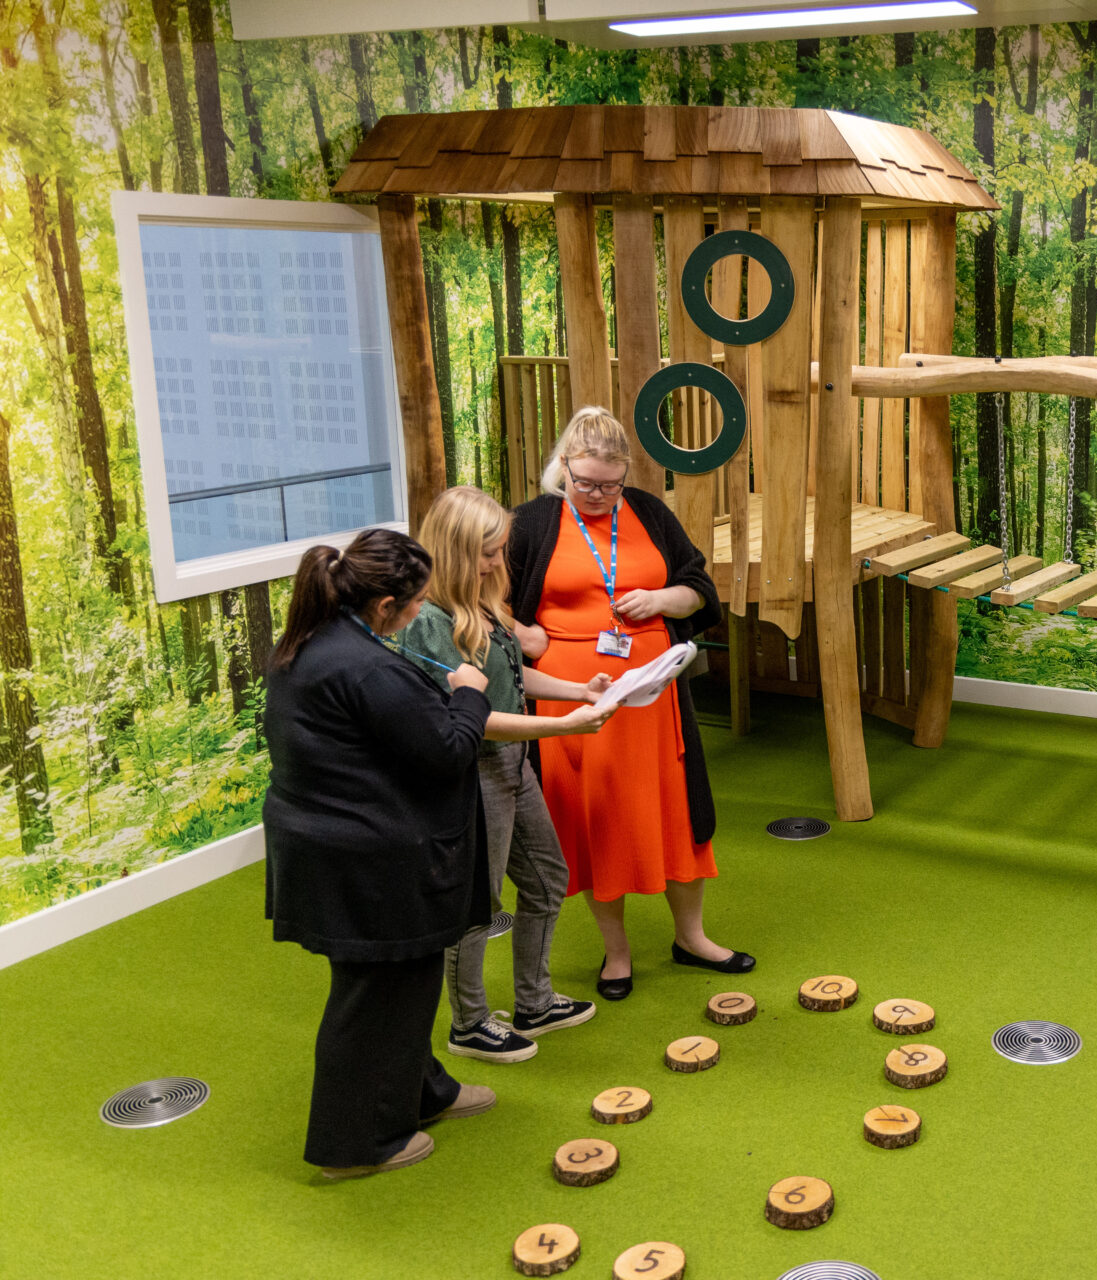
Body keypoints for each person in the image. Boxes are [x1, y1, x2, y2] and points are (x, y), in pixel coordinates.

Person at [263, 529, 494, 1179]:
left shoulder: (318, 641)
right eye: (418, 601)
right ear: (386, 604)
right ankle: (353, 1145)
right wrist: (471, 693)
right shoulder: (367, 666)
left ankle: (423, 1093)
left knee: (401, 983)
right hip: (363, 859)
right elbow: (448, 749)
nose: (423, 610)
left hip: (332, 846)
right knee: (373, 994)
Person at [506, 406, 751, 1001]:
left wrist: (664, 598)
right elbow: (483, 602)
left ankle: (691, 938)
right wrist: (524, 635)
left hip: (654, 696)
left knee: (678, 814)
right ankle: (616, 955)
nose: (596, 494)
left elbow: (700, 589)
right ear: (562, 466)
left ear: (626, 476)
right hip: (570, 703)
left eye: (609, 485)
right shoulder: (529, 523)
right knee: (597, 821)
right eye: (585, 482)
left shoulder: (647, 512)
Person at [397, 486, 619, 1064]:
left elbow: (513, 679)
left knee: (547, 878)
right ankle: (469, 1023)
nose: (498, 564)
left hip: (513, 765)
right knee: (477, 899)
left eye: (499, 550)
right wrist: (564, 728)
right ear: (452, 549)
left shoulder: (485, 601)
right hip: (471, 772)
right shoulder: (425, 622)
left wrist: (580, 691)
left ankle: (534, 1002)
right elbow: (474, 720)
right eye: (487, 553)